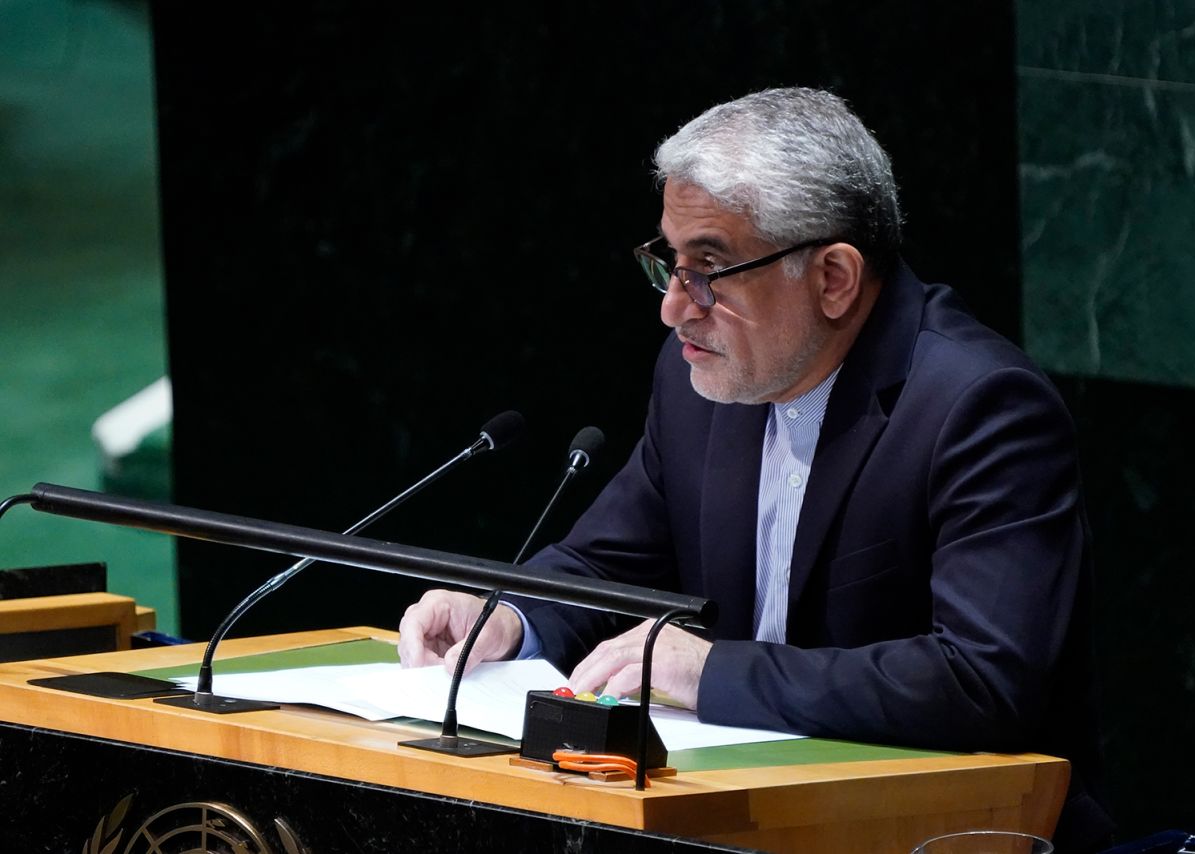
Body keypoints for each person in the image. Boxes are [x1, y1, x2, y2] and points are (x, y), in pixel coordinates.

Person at [399, 87, 1111, 851]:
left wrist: (711, 676)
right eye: (668, 264)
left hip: (941, 833)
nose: (675, 309)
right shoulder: (699, 381)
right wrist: (512, 615)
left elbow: (980, 678)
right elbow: (606, 559)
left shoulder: (978, 406)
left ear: (833, 277)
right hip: (733, 821)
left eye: (710, 269)